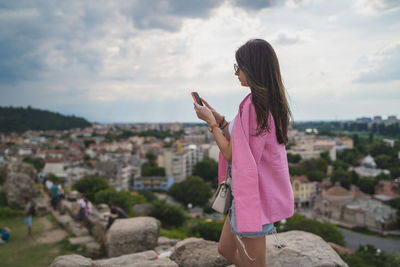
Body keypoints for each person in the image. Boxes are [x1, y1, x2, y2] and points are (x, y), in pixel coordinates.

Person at [193, 39, 294, 267]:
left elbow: (232, 153)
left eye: (239, 67)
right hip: (251, 193)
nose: (236, 73)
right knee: (225, 248)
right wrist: (220, 120)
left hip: (252, 196)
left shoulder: (254, 105)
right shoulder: (266, 103)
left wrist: (211, 124)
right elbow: (244, 140)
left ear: (253, 68)